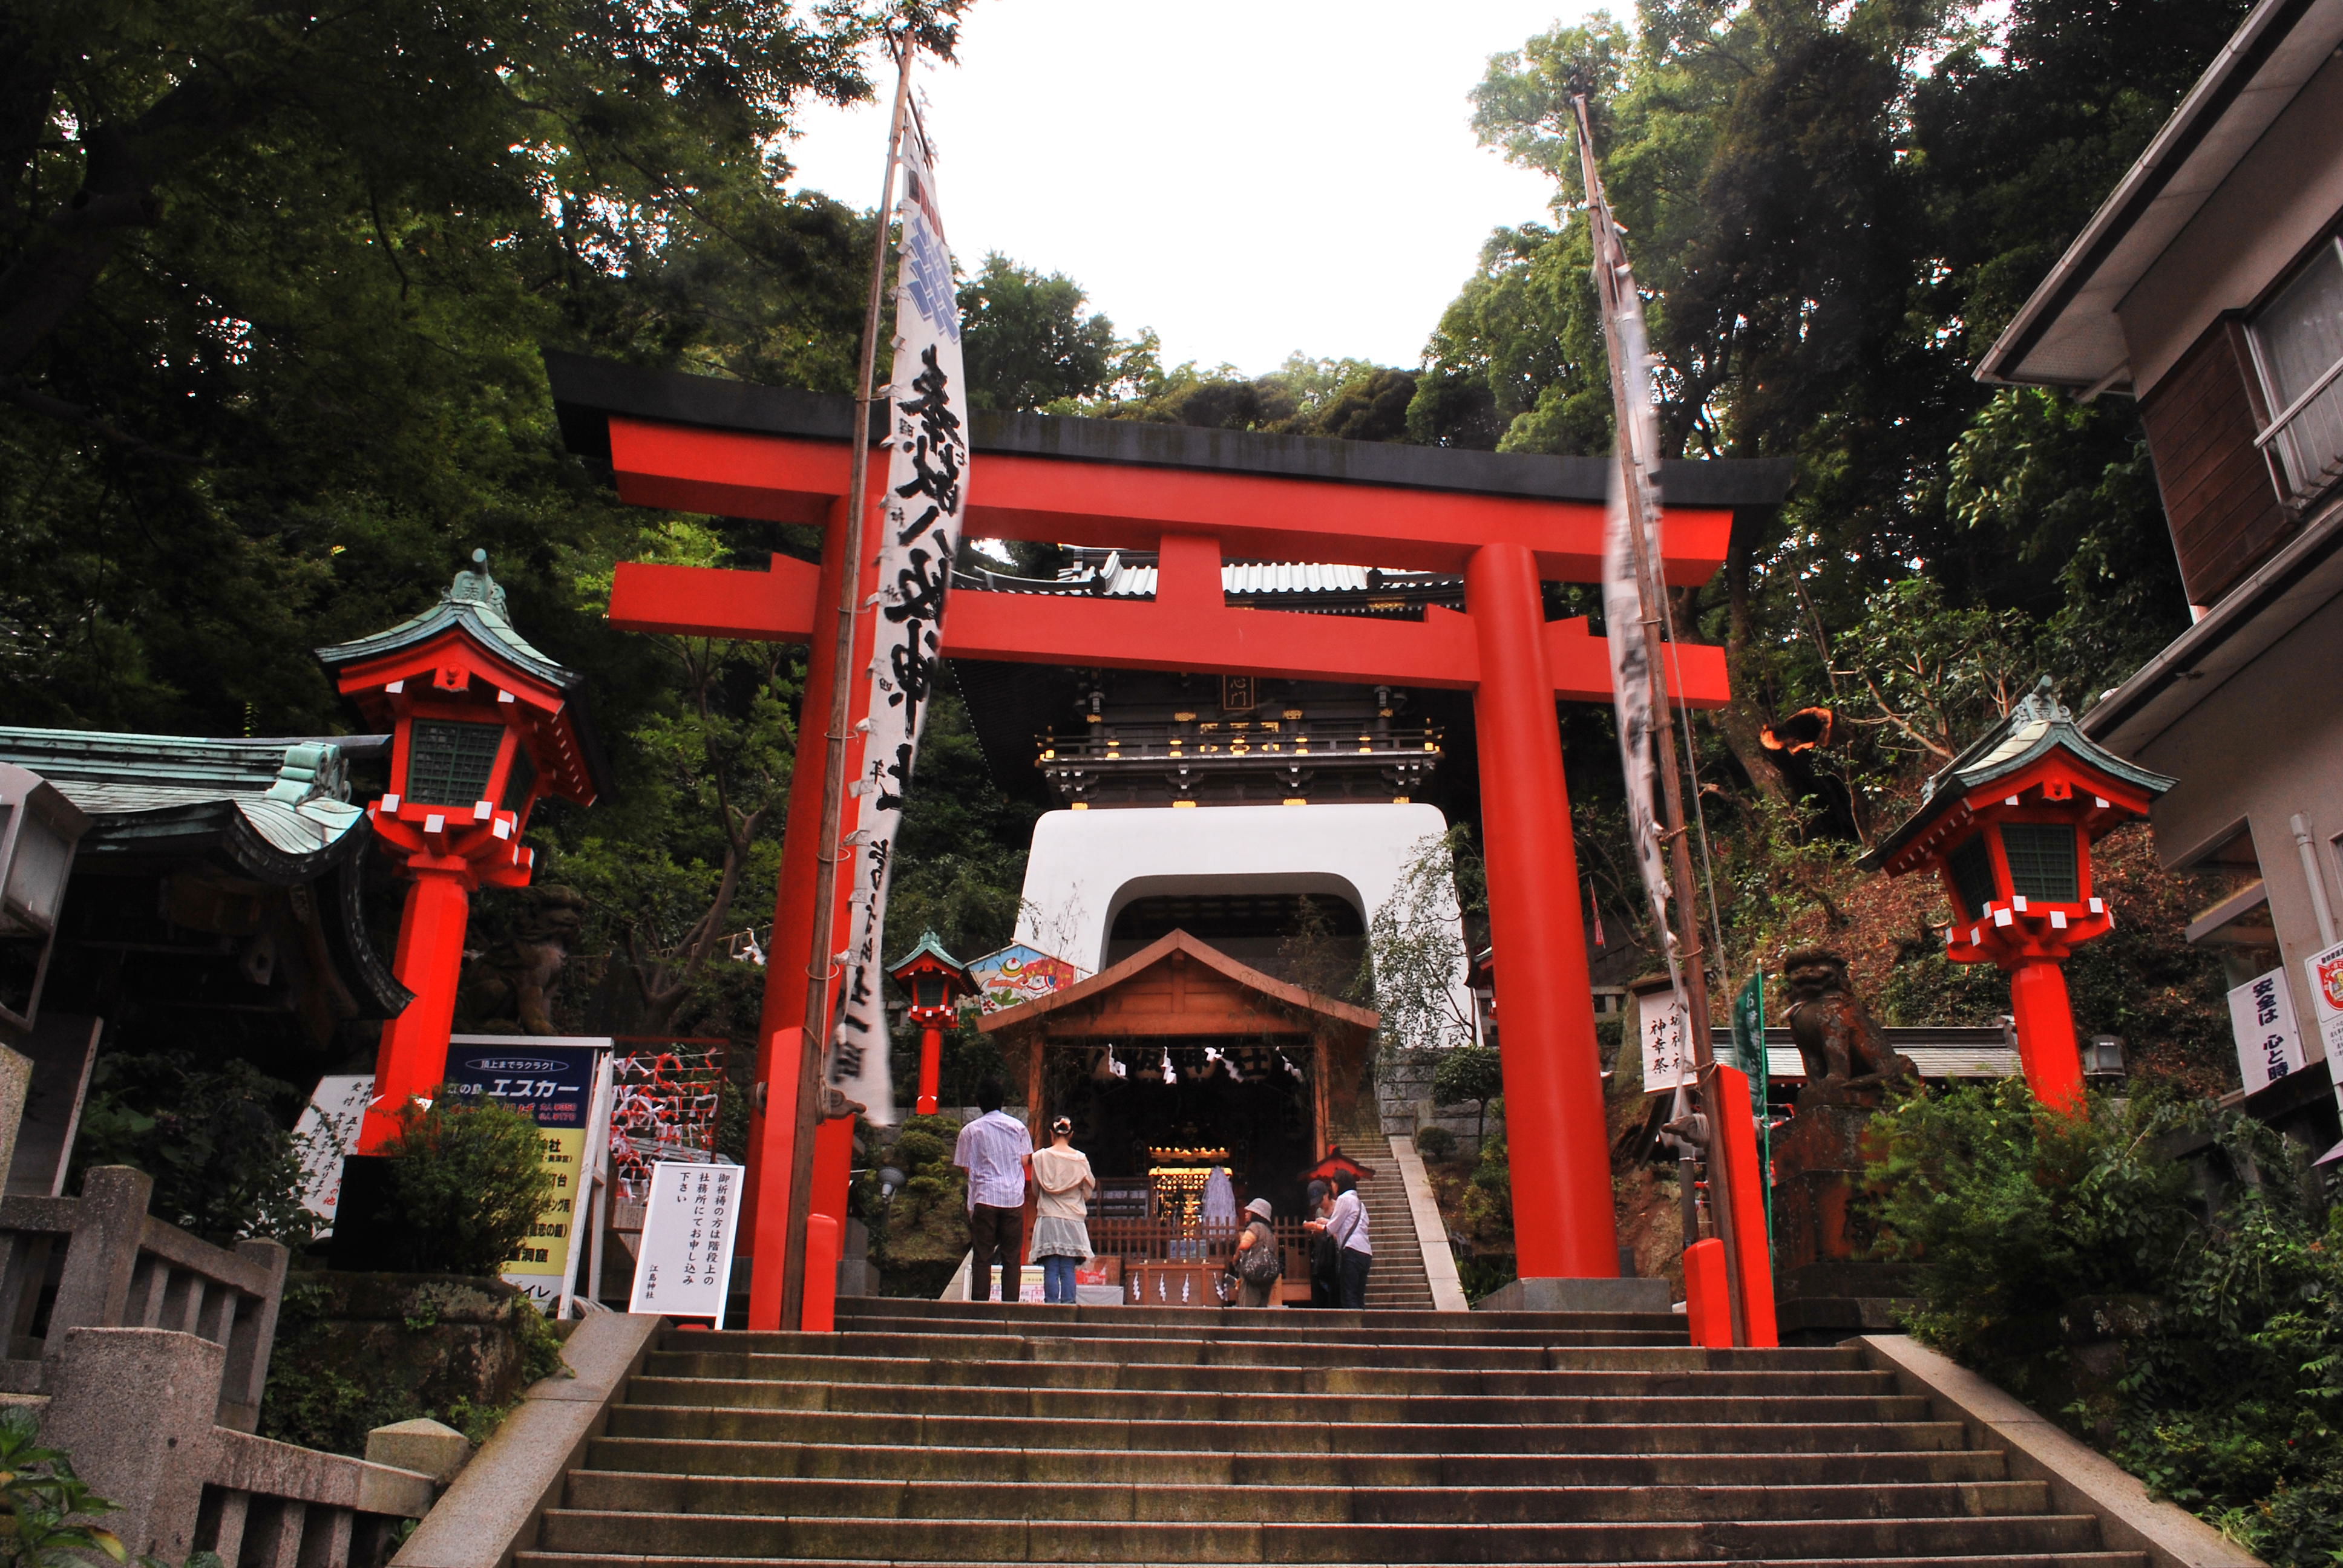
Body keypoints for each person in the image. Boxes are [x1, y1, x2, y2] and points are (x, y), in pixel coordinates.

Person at [951, 1079, 1032, 1302]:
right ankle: (1010, 1305)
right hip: (1013, 1199)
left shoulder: (970, 1131)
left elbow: (966, 1168)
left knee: (983, 1256)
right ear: (1002, 1101)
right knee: (1012, 1257)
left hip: (985, 1197)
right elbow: (1025, 1159)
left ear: (978, 1103)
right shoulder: (1018, 1128)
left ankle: (980, 1307)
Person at [1028, 1116, 1095, 1305]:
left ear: (1051, 1134)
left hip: (1048, 1217)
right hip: (1072, 1218)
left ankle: (1050, 1306)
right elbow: (1088, 1192)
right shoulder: (1080, 1159)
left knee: (1050, 1267)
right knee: (1067, 1267)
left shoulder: (1040, 1157)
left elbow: (1035, 1190)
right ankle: (1068, 1305)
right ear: (1071, 1135)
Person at [1326, 1169, 1372, 1309]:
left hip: (1352, 1251)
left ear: (1339, 1184)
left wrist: (1316, 1226)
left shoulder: (1343, 1199)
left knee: (1349, 1296)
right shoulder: (1359, 1204)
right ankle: (1361, 1328)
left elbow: (1331, 1228)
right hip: (1366, 1252)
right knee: (1358, 1296)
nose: (1332, 1187)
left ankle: (1353, 1330)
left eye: (1333, 1183)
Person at [1233, 1197, 1282, 1307]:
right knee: (1262, 1309)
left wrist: (1236, 1258)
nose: (1246, 1214)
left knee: (1248, 1310)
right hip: (1266, 1278)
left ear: (1256, 1214)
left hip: (1252, 1276)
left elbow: (1245, 1245)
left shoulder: (1255, 1227)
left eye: (1249, 1212)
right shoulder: (1270, 1233)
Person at [1303, 1178, 1339, 1308]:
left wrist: (1326, 1225)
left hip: (1337, 1255)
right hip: (1323, 1256)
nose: (1319, 1205)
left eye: (1320, 1201)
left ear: (1327, 1194)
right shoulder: (1319, 1212)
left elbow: (1340, 1232)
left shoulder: (1339, 1208)